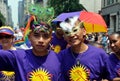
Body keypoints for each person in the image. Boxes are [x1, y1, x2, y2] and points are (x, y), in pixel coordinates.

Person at [0, 15, 64, 81]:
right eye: (36, 35)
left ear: (51, 39)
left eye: (45, 36)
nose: (41, 40)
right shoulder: (18, 57)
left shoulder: (59, 59)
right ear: (29, 37)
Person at [58, 16, 109, 81]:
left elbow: (111, 77)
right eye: (67, 32)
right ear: (64, 36)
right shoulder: (61, 57)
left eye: (75, 30)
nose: (72, 35)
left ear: (84, 31)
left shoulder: (100, 54)